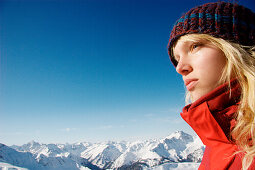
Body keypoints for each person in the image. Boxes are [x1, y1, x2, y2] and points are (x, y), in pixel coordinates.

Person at [167, 1, 255, 170]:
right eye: (177, 59)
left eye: (194, 46)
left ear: (236, 48)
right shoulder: (218, 138)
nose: (180, 68)